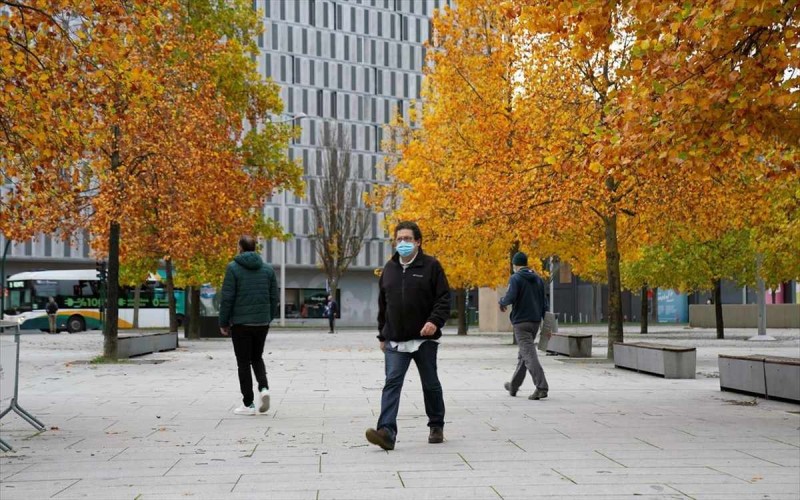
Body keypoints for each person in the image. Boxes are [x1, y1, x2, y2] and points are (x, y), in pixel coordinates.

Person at [366, 221, 451, 450]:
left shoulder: (432, 266)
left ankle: (436, 424)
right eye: (399, 239)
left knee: (430, 383)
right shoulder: (389, 270)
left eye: (407, 239)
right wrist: (382, 336)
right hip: (395, 339)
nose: (403, 243)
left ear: (418, 242)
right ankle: (386, 432)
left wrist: (434, 321)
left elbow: (443, 299)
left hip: (424, 339)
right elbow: (383, 306)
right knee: (392, 383)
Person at [219, 235, 279, 416]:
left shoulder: (233, 268)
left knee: (243, 362)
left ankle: (248, 404)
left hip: (241, 323)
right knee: (257, 357)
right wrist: (268, 317)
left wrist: (223, 322)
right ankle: (264, 388)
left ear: (240, 247)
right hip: (261, 323)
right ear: (255, 248)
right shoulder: (268, 270)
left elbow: (227, 297)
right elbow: (274, 297)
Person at [499, 252, 550, 401]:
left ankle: (541, 387)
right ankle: (513, 386)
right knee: (524, 355)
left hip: (521, 323)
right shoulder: (538, 279)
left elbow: (510, 296)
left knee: (528, 355)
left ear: (515, 265)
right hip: (534, 322)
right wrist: (544, 322)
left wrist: (502, 302)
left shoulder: (515, 278)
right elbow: (544, 302)